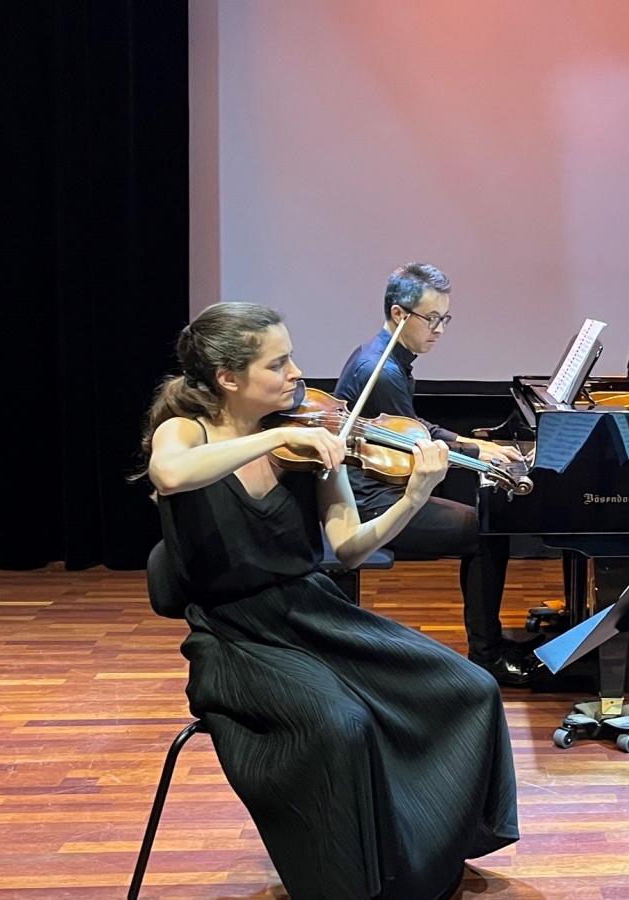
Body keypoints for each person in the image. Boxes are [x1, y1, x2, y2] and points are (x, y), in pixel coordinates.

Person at [144, 302, 518, 900]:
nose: (298, 373)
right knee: (342, 726)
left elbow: (348, 547)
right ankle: (348, 883)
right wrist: (279, 435)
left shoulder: (313, 438)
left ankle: (426, 858)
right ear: (229, 379)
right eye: (280, 362)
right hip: (234, 636)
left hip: (315, 612)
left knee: (469, 688)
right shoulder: (188, 431)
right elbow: (172, 474)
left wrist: (415, 495)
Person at [334, 263, 545, 685]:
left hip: (380, 487)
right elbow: (413, 448)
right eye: (432, 319)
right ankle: (487, 656)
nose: (440, 329)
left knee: (484, 521)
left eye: (444, 319)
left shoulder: (385, 357)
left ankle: (491, 646)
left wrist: (474, 443)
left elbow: (412, 426)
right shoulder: (384, 371)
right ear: (399, 314)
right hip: (371, 498)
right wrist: (477, 455)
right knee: (486, 533)